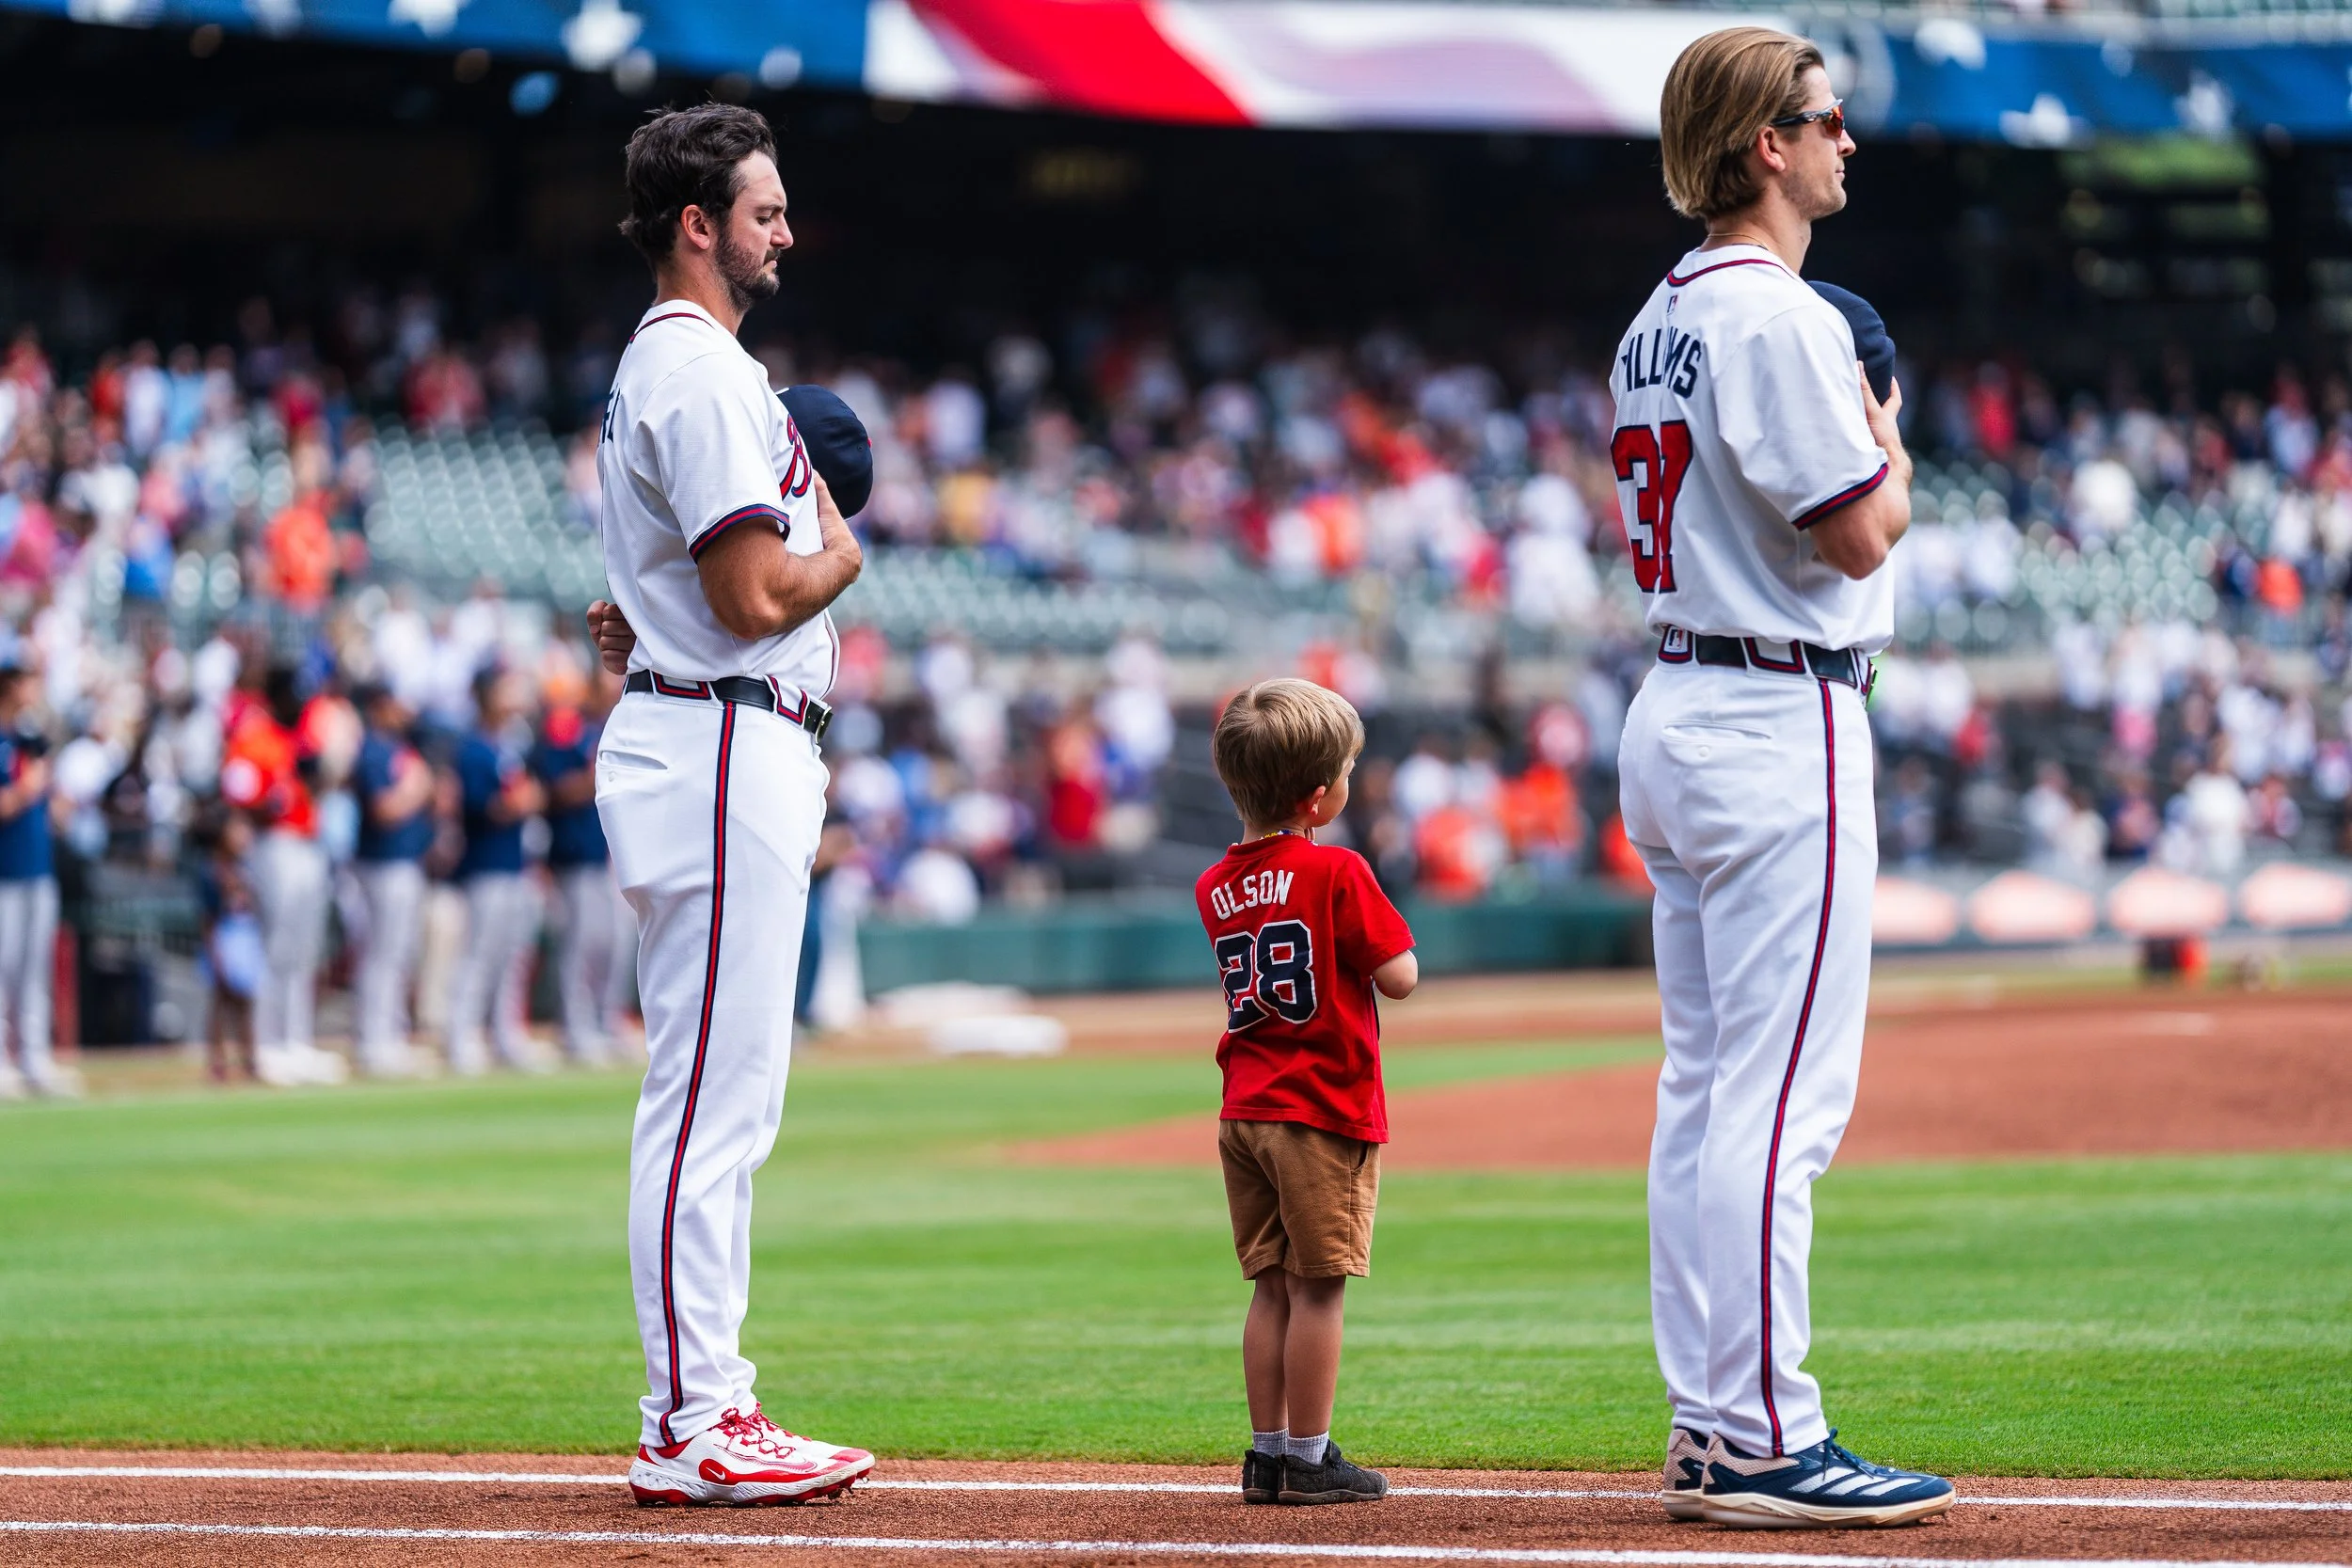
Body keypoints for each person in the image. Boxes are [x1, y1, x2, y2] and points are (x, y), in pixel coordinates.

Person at [1613, 27, 1950, 1528]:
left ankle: (1708, 1415)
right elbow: (1860, 533)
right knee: (1777, 1097)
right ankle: (1759, 1429)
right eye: (1825, 120)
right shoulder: (1781, 315)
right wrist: (1893, 429)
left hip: (1680, 696)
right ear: (1766, 143)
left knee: (1703, 1088)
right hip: (1776, 713)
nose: (1845, 144)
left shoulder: (1656, 315)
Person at [586, 103, 871, 1506]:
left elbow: (649, 599)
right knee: (709, 1104)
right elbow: (755, 596)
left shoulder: (693, 370)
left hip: (711, 736)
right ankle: (693, 1415)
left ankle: (710, 1401)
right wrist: (842, 550)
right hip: (714, 745)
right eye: (762, 211)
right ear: (697, 223)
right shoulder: (700, 373)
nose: (784, 231)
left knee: (720, 1099)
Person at [1196, 678, 1418, 1508]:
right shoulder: (1337, 869)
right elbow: (1400, 976)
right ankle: (1310, 1455)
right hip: (1321, 1106)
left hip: (1245, 1103)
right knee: (1320, 1284)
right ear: (1319, 798)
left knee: (1271, 1285)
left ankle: (1265, 1454)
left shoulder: (1213, 884)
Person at [220, 664, 345, 1088]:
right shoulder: (255, 738)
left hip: (308, 842)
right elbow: (238, 794)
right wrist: (272, 799)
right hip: (273, 844)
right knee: (276, 948)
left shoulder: (301, 739)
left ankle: (296, 1042)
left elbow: (319, 782)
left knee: (303, 949)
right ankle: (268, 1047)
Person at [446, 668, 548, 1075]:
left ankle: (507, 1036)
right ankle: (461, 1036)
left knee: (513, 956)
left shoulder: (510, 744)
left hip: (514, 863)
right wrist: (521, 802)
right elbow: (483, 806)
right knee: (479, 955)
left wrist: (525, 800)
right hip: (484, 864)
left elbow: (531, 796)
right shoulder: (473, 747)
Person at [531, 671, 633, 1066]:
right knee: (580, 944)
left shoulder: (613, 726)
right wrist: (603, 770)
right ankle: (575, 1028)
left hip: (610, 854)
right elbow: (559, 787)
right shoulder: (567, 728)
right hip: (574, 854)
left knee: (614, 943)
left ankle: (606, 1021)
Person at [351, 684, 437, 1077]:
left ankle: (392, 1035)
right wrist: (415, 790)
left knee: (399, 954)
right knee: (380, 954)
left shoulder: (399, 747)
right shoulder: (371, 748)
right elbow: (383, 809)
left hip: (406, 861)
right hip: (380, 864)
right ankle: (373, 1041)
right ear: (378, 707)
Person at [0, 660, 68, 1098]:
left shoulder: (28, 741)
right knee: (2, 969)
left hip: (37, 867)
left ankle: (35, 1058)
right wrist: (27, 791)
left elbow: (51, 807)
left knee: (34, 970)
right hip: (4, 872)